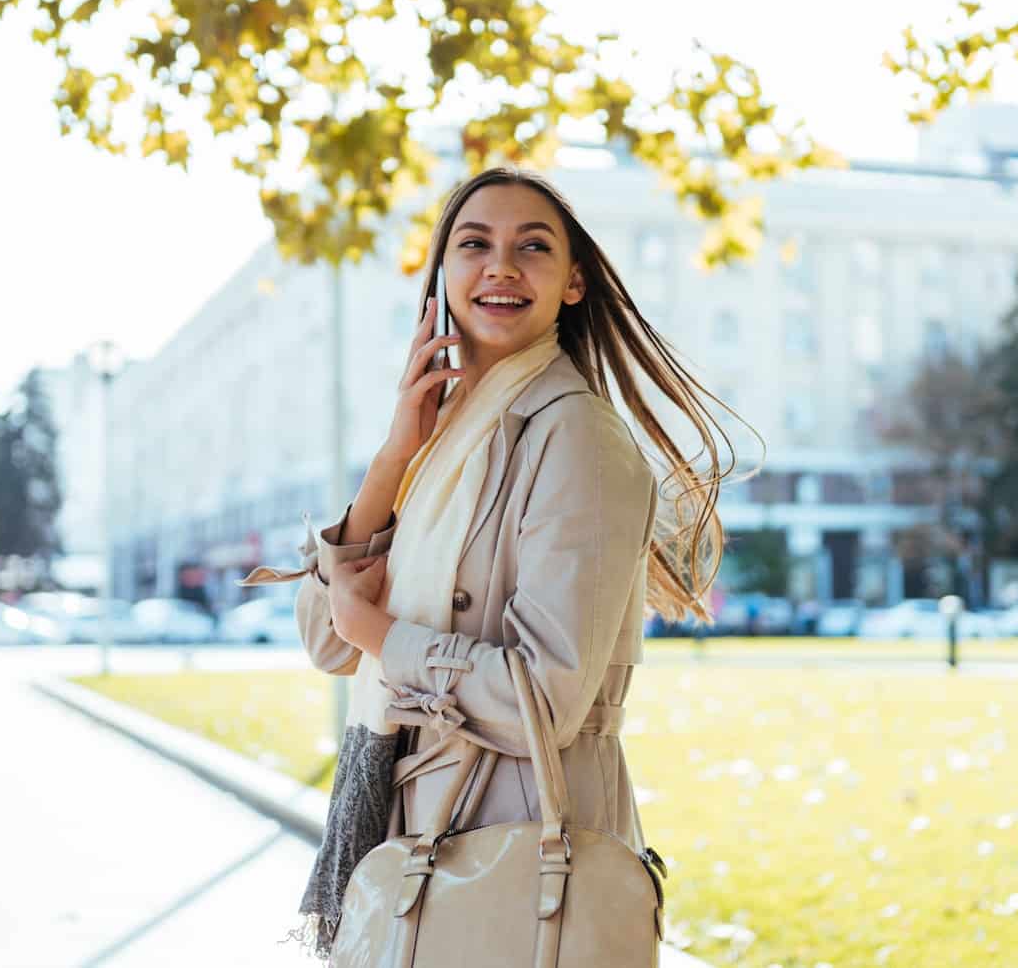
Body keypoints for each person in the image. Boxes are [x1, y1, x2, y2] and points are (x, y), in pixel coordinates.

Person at [239, 167, 741, 959]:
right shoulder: (444, 440)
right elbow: (328, 640)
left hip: (516, 852)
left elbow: (544, 696)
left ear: (573, 282)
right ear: (442, 274)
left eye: (532, 247)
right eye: (474, 244)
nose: (501, 265)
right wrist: (391, 459)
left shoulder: (576, 438)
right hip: (417, 845)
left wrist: (384, 633)